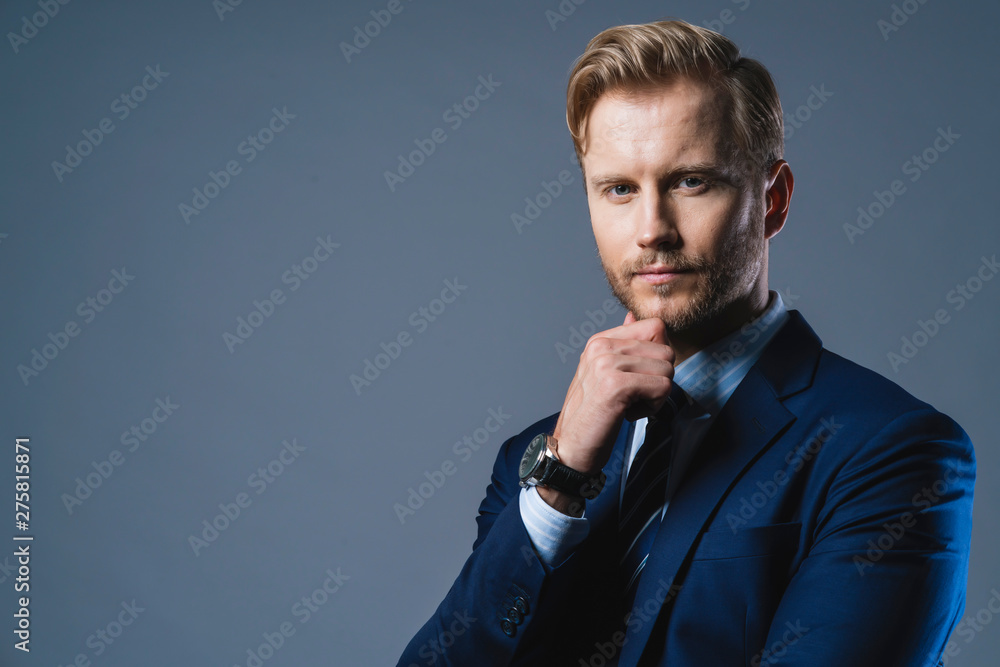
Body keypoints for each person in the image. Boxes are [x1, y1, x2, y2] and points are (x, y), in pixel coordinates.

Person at [397, 19, 974, 667]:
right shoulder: (536, 460)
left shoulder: (891, 450)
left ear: (773, 200)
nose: (651, 230)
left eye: (691, 181)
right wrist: (560, 478)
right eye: (619, 189)